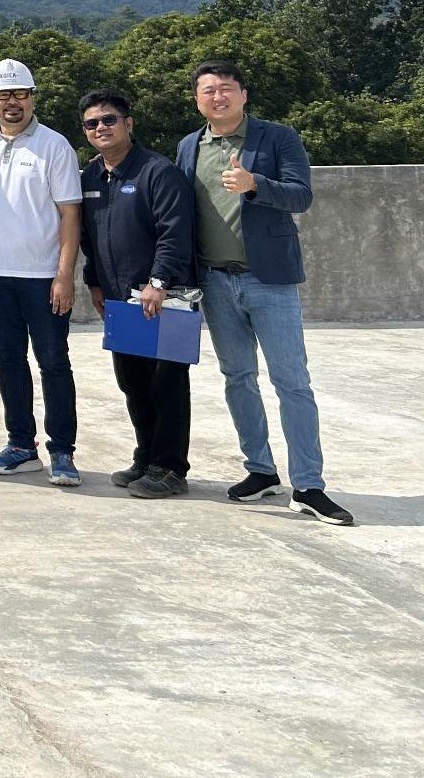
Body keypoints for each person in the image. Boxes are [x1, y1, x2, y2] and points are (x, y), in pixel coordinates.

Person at [176, 60, 352, 526]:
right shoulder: (189, 146)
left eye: (226, 88)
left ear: (244, 94)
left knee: (292, 381)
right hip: (214, 280)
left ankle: (309, 485)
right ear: (197, 99)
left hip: (269, 278)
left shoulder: (277, 138)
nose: (218, 97)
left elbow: (301, 196)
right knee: (238, 378)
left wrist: (256, 185)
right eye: (208, 90)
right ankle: (260, 469)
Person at [0, 59, 85, 487]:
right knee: (9, 360)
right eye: (2, 95)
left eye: (20, 94)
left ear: (33, 97)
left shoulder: (55, 146)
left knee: (53, 362)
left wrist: (64, 275)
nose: (11, 102)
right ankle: (20, 445)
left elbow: (70, 215)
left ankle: (62, 451)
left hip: (42, 276)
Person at [77, 91, 196, 500]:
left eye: (109, 119)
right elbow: (89, 238)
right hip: (120, 300)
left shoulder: (158, 172)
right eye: (92, 123)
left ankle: (171, 468)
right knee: (133, 382)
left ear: (128, 124)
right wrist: (93, 281)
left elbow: (174, 233)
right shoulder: (91, 177)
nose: (101, 128)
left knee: (167, 384)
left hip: (163, 298)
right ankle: (146, 457)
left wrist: (158, 281)